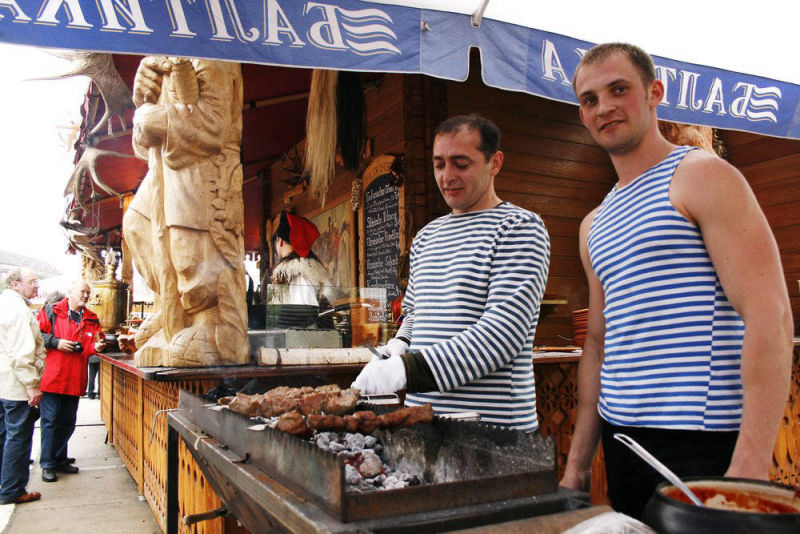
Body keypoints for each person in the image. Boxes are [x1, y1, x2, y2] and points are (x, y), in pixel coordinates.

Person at [560, 43, 793, 518]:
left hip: (701, 442)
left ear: (654, 93)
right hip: (622, 441)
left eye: (619, 89)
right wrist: (578, 465)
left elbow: (770, 315)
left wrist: (750, 464)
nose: (604, 107)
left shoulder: (702, 176)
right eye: (590, 99)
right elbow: (598, 343)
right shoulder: (593, 223)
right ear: (582, 116)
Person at [352, 115, 551, 431]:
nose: (447, 176)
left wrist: (405, 371)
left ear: (495, 163)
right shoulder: (427, 236)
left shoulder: (519, 228)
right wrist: (400, 343)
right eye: (439, 164)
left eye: (461, 164)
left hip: (494, 431)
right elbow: (415, 313)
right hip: (422, 423)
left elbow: (502, 335)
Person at [122, 56, 249, 366]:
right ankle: (172, 308)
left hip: (203, 170)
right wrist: (144, 100)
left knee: (189, 254)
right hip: (165, 171)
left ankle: (213, 322)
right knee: (136, 222)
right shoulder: (162, 58)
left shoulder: (211, 54)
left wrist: (155, 118)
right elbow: (144, 147)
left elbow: (214, 126)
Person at [37, 280, 105, 483]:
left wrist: (97, 347)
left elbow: (93, 344)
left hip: (74, 377)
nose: (85, 295)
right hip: (52, 377)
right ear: (71, 292)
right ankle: (48, 464)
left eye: (88, 292)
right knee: (50, 421)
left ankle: (59, 459)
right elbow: (36, 335)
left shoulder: (92, 318)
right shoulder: (51, 311)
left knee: (67, 422)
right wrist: (56, 342)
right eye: (82, 291)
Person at [0, 268, 45, 504]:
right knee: (18, 437)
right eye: (31, 282)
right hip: (16, 385)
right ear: (15, 284)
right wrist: (32, 384)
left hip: (4, 382)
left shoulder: (5, 304)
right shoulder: (18, 310)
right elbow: (22, 353)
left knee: (5, 435)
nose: (35, 286)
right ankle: (13, 489)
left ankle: (5, 483)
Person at [270, 211, 336, 328]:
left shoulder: (298, 273)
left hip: (301, 338)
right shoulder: (300, 270)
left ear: (279, 241)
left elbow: (303, 317)